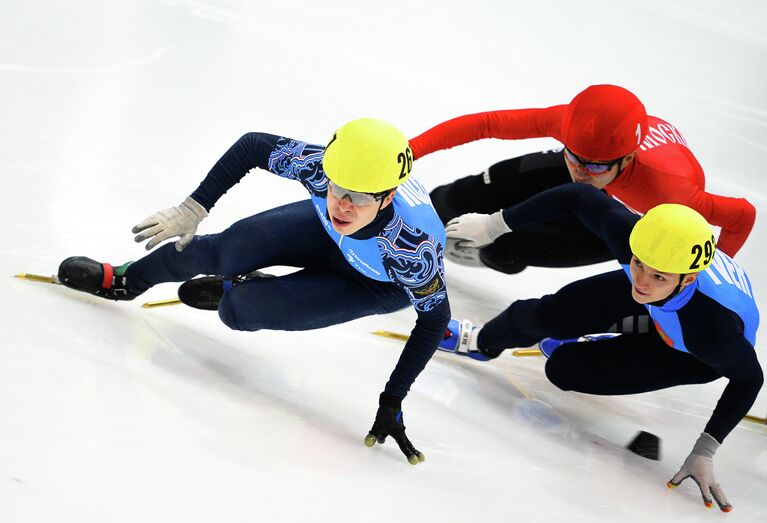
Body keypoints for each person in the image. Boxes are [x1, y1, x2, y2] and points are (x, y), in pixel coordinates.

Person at [56, 118, 451, 465]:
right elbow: (253, 145)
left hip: (371, 281)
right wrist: (194, 207)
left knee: (238, 311)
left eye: (361, 197)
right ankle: (125, 280)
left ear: (388, 197)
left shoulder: (412, 250)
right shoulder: (323, 171)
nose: (344, 204)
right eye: (338, 187)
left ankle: (242, 290)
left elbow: (435, 320)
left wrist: (392, 399)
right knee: (224, 249)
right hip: (327, 235)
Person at [440, 182, 761, 511]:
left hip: (689, 352)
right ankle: (482, 342)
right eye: (637, 264)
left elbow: (749, 379)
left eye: (657, 276)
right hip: (667, 306)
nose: (642, 281)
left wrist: (704, 450)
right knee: (549, 314)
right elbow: (578, 196)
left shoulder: (711, 332)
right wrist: (495, 224)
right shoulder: (642, 249)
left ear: (687, 278)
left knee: (563, 370)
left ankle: (628, 338)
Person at [409, 84, 756, 273]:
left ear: (629, 157)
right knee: (459, 197)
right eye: (573, 157)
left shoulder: (671, 194)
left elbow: (742, 215)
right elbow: (487, 123)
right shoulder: (578, 133)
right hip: (612, 171)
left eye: (595, 167)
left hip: (629, 215)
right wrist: (407, 153)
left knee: (509, 248)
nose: (580, 173)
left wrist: (699, 278)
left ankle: (491, 256)